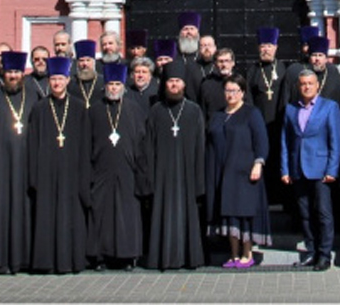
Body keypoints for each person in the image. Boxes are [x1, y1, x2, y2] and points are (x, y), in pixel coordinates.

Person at [26, 56, 91, 274]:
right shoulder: (40, 109)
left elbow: (85, 145)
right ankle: (46, 262)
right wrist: (34, 176)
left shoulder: (80, 108)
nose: (56, 83)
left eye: (60, 79)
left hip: (72, 173)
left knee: (71, 217)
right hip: (46, 173)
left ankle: (71, 261)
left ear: (67, 81)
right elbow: (33, 143)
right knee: (47, 217)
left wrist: (84, 175)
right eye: (53, 79)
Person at [142, 60, 206, 271]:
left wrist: (199, 181)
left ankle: (189, 258)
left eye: (178, 81)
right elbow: (148, 147)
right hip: (161, 176)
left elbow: (200, 147)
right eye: (170, 81)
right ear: (165, 84)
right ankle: (162, 258)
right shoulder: (156, 111)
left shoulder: (194, 111)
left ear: (184, 84)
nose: (174, 85)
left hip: (187, 175)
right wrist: (149, 179)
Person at [205, 73, 271, 269]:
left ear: (242, 93)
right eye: (227, 90)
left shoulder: (251, 113)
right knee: (229, 213)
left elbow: (261, 141)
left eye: (234, 91)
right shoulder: (218, 115)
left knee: (244, 214)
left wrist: (258, 163)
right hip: (223, 173)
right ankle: (233, 254)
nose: (230, 95)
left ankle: (247, 253)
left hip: (245, 173)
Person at [281, 68, 340, 271]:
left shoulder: (329, 107)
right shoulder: (291, 109)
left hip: (321, 169)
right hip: (298, 168)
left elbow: (336, 141)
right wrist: (285, 169)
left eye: (310, 83)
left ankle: (324, 255)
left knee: (323, 213)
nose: (306, 87)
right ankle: (311, 251)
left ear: (317, 85)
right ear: (298, 86)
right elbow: (285, 141)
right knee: (305, 214)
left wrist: (332, 169)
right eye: (303, 84)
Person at [86, 62, 146, 271]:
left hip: (127, 170)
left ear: (123, 85)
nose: (113, 88)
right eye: (110, 84)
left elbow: (140, 141)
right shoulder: (94, 110)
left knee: (126, 213)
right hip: (101, 170)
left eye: (117, 84)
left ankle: (127, 256)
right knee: (101, 213)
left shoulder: (133, 109)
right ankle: (100, 256)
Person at [0, 50, 34, 274]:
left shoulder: (33, 97)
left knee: (25, 211)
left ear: (23, 73)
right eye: (9, 71)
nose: (13, 76)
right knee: (1, 213)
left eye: (17, 71)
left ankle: (24, 260)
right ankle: (1, 261)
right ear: (3, 74)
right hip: (2, 169)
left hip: (25, 167)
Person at [247, 27, 285, 200]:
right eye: (263, 45)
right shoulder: (253, 71)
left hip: (279, 123)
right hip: (259, 124)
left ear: (276, 48)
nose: (266, 49)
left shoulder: (283, 68)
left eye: (269, 45)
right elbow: (248, 98)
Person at [199, 47, 240, 122]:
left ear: (233, 63)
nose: (224, 64)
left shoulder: (240, 83)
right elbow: (203, 111)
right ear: (215, 64)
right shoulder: (207, 84)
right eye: (220, 61)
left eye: (227, 61)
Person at [176, 11, 205, 102]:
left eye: (192, 29)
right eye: (185, 29)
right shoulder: (175, 54)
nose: (189, 32)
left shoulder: (203, 55)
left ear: (197, 32)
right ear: (180, 32)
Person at [69, 39, 103, 108]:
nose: (85, 64)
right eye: (81, 60)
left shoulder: (103, 82)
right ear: (77, 63)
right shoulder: (71, 83)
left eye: (88, 60)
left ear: (94, 62)